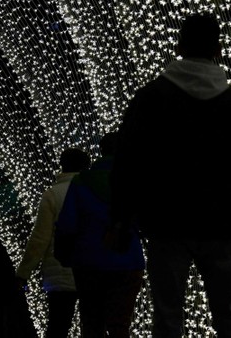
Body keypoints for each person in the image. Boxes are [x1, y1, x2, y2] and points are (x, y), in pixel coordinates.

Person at [110, 13, 231, 338]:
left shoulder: (151, 97)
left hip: (168, 221)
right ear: (219, 49)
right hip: (223, 223)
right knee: (228, 315)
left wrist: (123, 216)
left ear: (179, 46)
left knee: (168, 317)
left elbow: (128, 160)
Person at [55, 134, 144, 338]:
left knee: (91, 323)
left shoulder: (80, 182)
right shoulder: (135, 181)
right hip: (127, 261)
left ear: (100, 151)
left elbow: (67, 224)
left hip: (88, 262)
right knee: (120, 324)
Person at [15, 148, 90, 338]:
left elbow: (40, 239)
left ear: (62, 165)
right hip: (94, 271)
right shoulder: (95, 193)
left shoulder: (53, 194)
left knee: (58, 326)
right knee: (93, 326)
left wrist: (23, 273)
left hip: (60, 275)